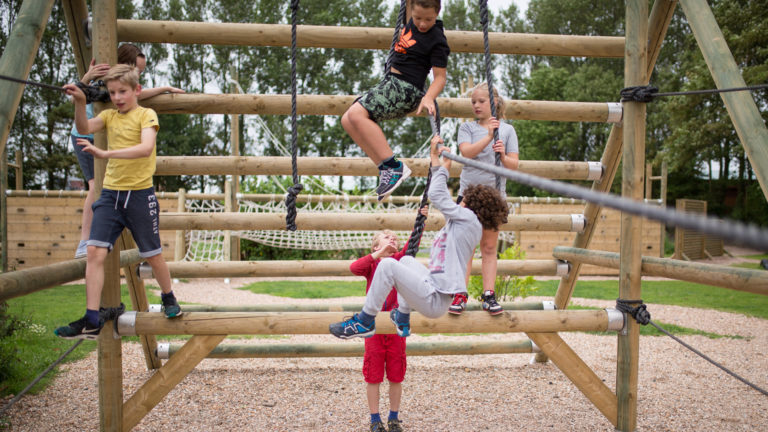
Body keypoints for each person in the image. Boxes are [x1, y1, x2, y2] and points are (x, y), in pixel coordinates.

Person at [329, 134, 508, 342]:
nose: (458, 202)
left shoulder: (468, 219)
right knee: (405, 261)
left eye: (463, 200)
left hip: (435, 299)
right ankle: (403, 317)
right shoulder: (465, 222)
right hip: (434, 288)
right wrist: (439, 164)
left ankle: (365, 320)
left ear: (470, 206)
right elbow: (439, 192)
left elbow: (437, 195)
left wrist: (440, 165)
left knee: (387, 265)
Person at [55, 64, 182, 340]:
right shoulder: (109, 116)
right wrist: (79, 101)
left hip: (139, 195)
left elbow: (145, 148)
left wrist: (104, 152)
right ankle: (91, 319)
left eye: (122, 91)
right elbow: (84, 126)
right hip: (111, 195)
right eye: (112, 92)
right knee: (95, 253)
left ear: (137, 90)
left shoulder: (146, 114)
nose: (117, 97)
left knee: (153, 253)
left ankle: (169, 297)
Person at [71, 43, 184, 258]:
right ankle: (85, 240)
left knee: (107, 187)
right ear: (125, 64)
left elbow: (138, 93)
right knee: (95, 185)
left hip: (103, 134)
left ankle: (105, 240)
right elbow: (79, 95)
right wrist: (85, 78)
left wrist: (164, 88)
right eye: (137, 70)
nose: (139, 75)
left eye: (141, 72)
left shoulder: (124, 90)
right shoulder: (106, 77)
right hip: (85, 134)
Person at [341, 0, 449, 201]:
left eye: (428, 19)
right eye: (418, 18)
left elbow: (440, 77)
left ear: (437, 13)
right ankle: (385, 168)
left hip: (406, 88)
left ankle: (394, 166)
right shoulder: (410, 22)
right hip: (391, 83)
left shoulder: (437, 40)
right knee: (347, 120)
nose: (422, 24)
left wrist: (428, 97)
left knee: (357, 114)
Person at [350, 207, 427, 432]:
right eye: (386, 237)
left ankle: (393, 417)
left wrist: (420, 219)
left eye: (394, 237)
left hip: (395, 327)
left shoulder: (399, 261)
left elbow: (412, 243)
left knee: (396, 374)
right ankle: (375, 419)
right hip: (373, 329)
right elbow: (354, 268)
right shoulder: (372, 264)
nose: (392, 238)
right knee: (373, 376)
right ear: (376, 246)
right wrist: (377, 253)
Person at [449, 83, 518, 316]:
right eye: (473, 102)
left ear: (494, 103)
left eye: (481, 101)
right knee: (465, 247)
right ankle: (460, 293)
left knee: (488, 247)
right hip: (469, 196)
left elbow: (513, 165)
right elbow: (466, 153)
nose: (476, 105)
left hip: (493, 197)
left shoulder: (507, 130)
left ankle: (489, 295)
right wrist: (488, 136)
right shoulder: (467, 128)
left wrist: (502, 155)